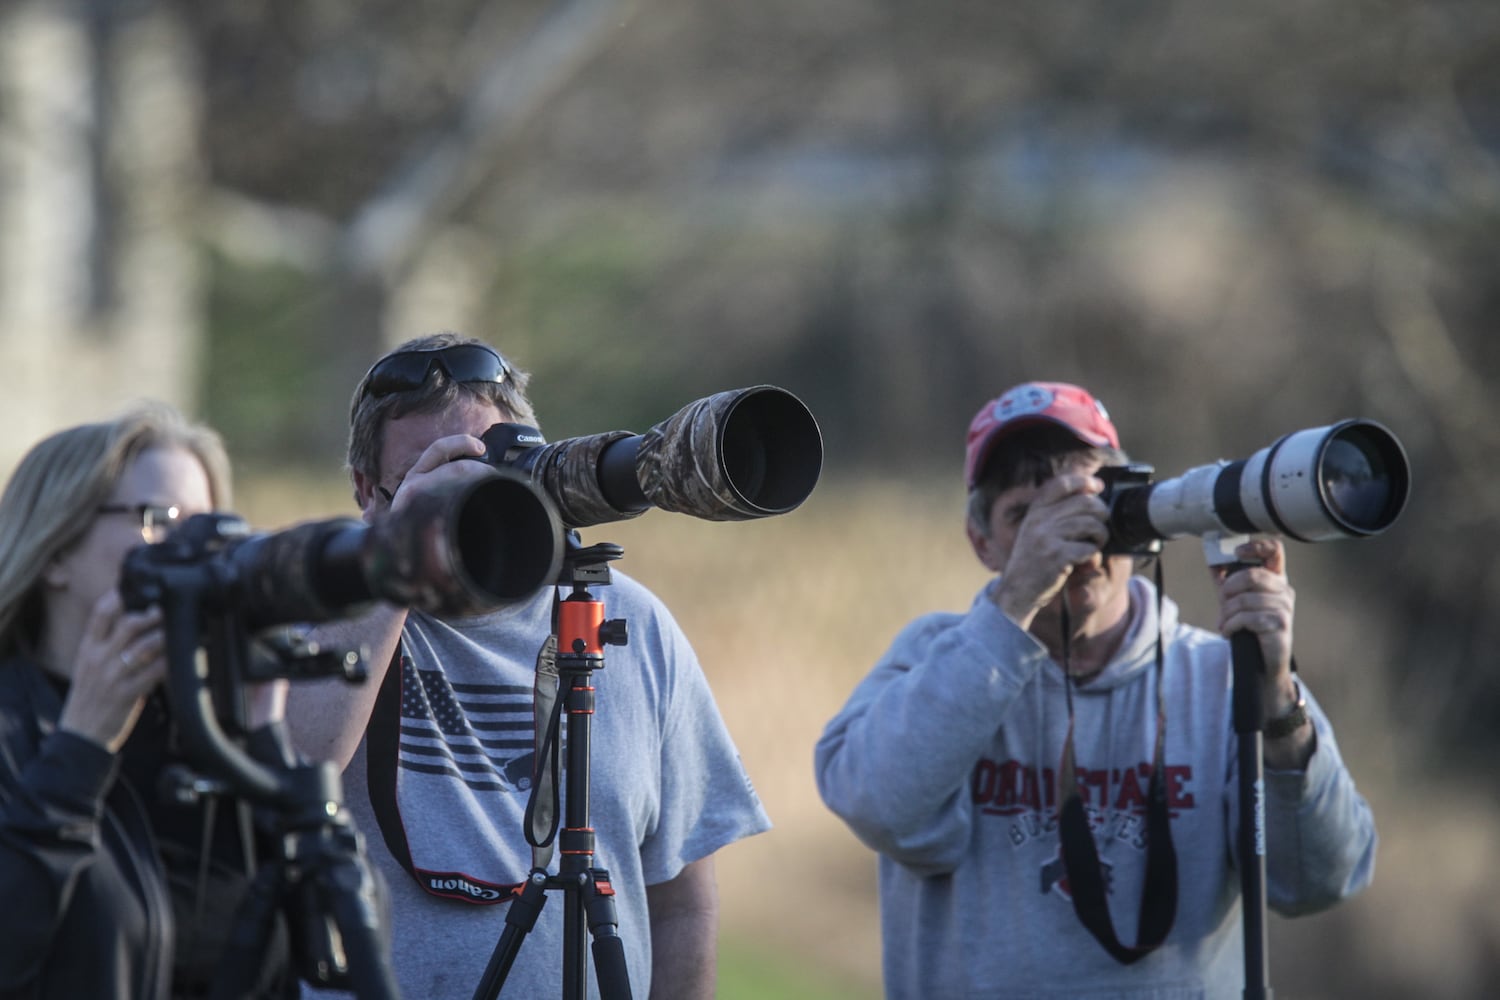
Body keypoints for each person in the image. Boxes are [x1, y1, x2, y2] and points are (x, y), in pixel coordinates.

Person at [814, 381, 1377, 998]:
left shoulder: (1220, 676)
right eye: (1026, 517)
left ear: (1136, 519)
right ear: (982, 543)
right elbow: (881, 806)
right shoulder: (932, 660)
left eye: (1088, 505)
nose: (1066, 541)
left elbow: (1323, 877)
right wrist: (1015, 601)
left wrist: (1276, 700)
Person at [287, 332, 771, 1000]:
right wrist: (398, 559)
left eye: (494, 473)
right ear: (367, 491)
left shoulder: (635, 624)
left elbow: (682, 901)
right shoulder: (325, 609)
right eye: (435, 478)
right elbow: (293, 770)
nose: (471, 503)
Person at [0, 402, 297, 999]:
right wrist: (78, 751)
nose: (198, 551)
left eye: (210, 525)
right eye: (161, 519)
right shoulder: (13, 728)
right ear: (57, 551)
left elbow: (343, 933)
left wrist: (267, 742)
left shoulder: (211, 735)